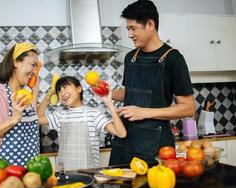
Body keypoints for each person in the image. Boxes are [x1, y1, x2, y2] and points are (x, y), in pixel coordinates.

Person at [110, 0, 195, 165]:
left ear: (150, 24)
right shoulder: (131, 58)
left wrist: (144, 112)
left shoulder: (173, 59)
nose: (130, 34)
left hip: (154, 144)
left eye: (133, 28)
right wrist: (109, 94)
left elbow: (188, 107)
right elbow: (130, 94)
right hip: (124, 139)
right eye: (128, 29)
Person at [38, 76, 127, 170]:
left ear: (79, 89)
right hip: (65, 174)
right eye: (59, 91)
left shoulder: (94, 114)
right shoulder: (59, 115)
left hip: (89, 174)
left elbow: (121, 133)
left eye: (65, 87)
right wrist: (47, 98)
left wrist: (109, 103)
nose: (62, 93)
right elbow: (37, 120)